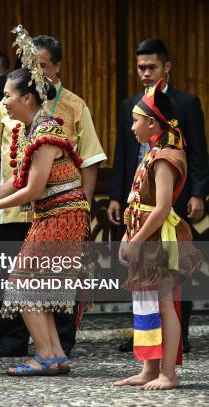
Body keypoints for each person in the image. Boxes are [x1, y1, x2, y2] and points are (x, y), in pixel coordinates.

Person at [0, 34, 107, 358]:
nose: (3, 101)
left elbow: (32, 190)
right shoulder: (36, 128)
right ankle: (54, 356)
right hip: (51, 214)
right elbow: (19, 179)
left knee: (23, 287)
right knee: (32, 288)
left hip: (61, 215)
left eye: (8, 95)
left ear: (27, 98)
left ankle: (49, 356)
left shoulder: (45, 131)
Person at [108, 38, 208, 353]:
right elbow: (123, 153)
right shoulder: (130, 105)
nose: (146, 73)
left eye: (152, 66)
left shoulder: (186, 103)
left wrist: (199, 193)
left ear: (167, 66)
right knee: (142, 274)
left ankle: (178, 338)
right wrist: (115, 195)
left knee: (172, 274)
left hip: (171, 197)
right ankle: (144, 338)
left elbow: (199, 152)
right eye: (141, 68)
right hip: (138, 197)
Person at [114, 78, 201, 390]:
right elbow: (138, 201)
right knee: (145, 302)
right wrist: (129, 234)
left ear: (152, 123)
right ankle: (149, 368)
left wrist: (137, 239)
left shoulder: (166, 156)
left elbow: (162, 207)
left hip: (160, 240)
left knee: (165, 303)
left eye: (136, 121)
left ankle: (169, 373)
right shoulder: (152, 152)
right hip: (144, 236)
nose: (132, 127)